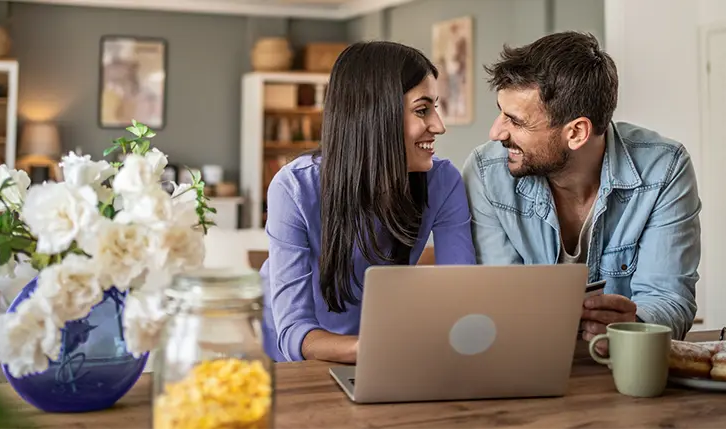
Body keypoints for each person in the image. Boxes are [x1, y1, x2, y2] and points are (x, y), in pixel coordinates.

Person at [462, 32, 701, 354]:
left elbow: (671, 299)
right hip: (525, 362)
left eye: (515, 121)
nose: (495, 132)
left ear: (576, 132)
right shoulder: (486, 172)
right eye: (501, 112)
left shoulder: (664, 168)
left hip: (620, 368)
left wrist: (635, 324)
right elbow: (498, 301)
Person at [261, 41, 477, 363]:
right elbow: (294, 331)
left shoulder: (442, 183)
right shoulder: (295, 187)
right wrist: (372, 347)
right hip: (302, 355)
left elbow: (461, 297)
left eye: (437, 107)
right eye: (422, 110)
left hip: (379, 344)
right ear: (375, 114)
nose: (439, 126)